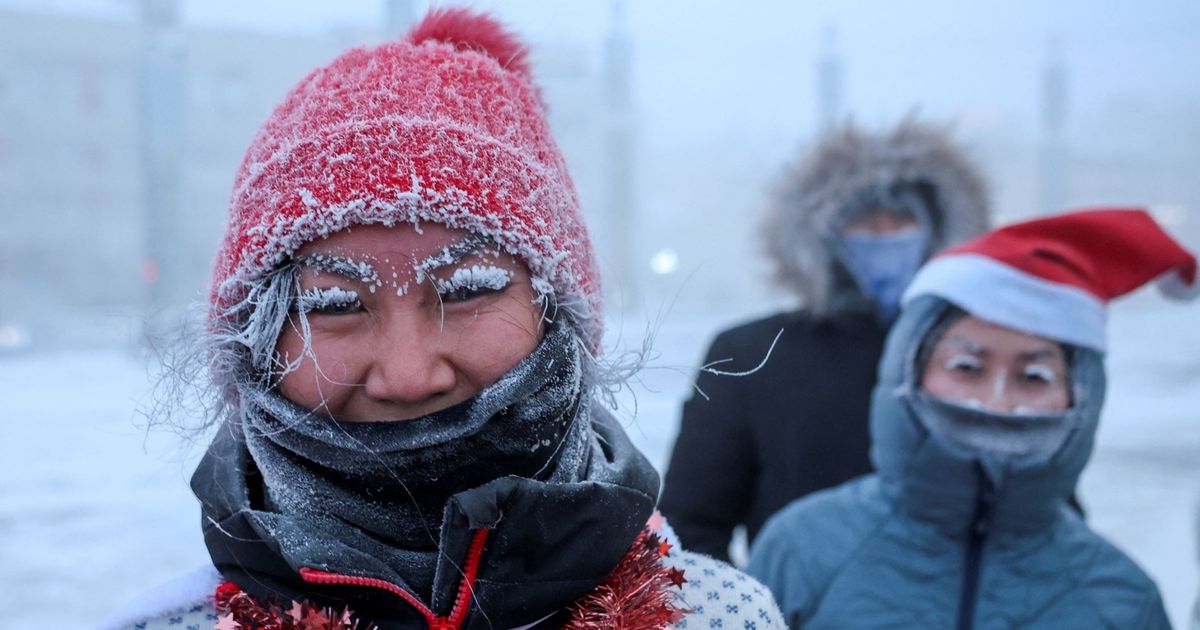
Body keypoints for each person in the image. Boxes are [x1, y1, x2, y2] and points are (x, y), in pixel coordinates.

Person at [100, 9, 784, 629]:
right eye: (335, 305)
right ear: (257, 342)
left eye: (466, 291)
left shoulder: (718, 618)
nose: (408, 374)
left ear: (557, 315)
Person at [747, 208, 1190, 628]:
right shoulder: (802, 548)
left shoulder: (1121, 598)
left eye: (1034, 376)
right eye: (966, 367)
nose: (996, 401)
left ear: (1080, 397)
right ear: (910, 368)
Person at [659, 121, 991, 560]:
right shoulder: (753, 355)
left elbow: (1039, 509)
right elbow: (691, 527)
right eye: (865, 222)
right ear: (822, 237)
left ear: (938, 231)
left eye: (903, 219)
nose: (885, 235)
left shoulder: (982, 354)